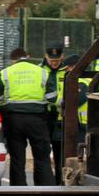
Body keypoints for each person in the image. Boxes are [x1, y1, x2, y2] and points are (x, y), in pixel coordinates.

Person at [0, 48, 56, 186]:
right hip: (37, 120)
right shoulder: (42, 72)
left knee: (17, 159)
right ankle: (45, 190)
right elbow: (52, 98)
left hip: (14, 120)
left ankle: (18, 191)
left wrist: (7, 104)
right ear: (27, 56)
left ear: (12, 60)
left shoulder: (6, 73)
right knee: (42, 158)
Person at [41, 45, 66, 183]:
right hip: (45, 116)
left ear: (62, 57)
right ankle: (46, 183)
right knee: (43, 153)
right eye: (51, 60)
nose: (54, 63)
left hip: (62, 117)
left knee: (60, 153)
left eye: (57, 60)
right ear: (46, 57)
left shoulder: (68, 70)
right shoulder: (39, 70)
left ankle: (59, 182)